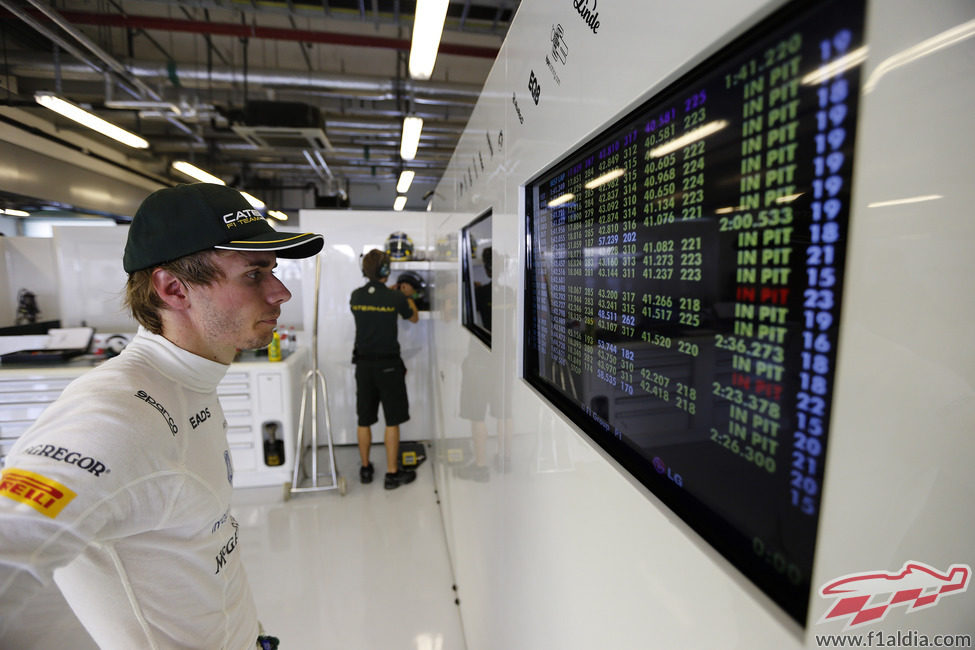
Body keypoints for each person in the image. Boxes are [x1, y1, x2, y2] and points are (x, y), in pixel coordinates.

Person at [0, 182, 323, 649]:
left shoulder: (189, 380)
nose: (280, 292)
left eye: (272, 270)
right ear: (173, 288)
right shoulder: (118, 410)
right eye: (253, 275)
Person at [350, 249, 419, 489]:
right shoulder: (395, 299)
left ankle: (366, 469)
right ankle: (391, 475)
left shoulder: (356, 296)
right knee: (392, 420)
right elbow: (413, 317)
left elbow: (374, 303)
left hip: (363, 365)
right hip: (388, 366)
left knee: (364, 419)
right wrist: (407, 295)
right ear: (386, 271)